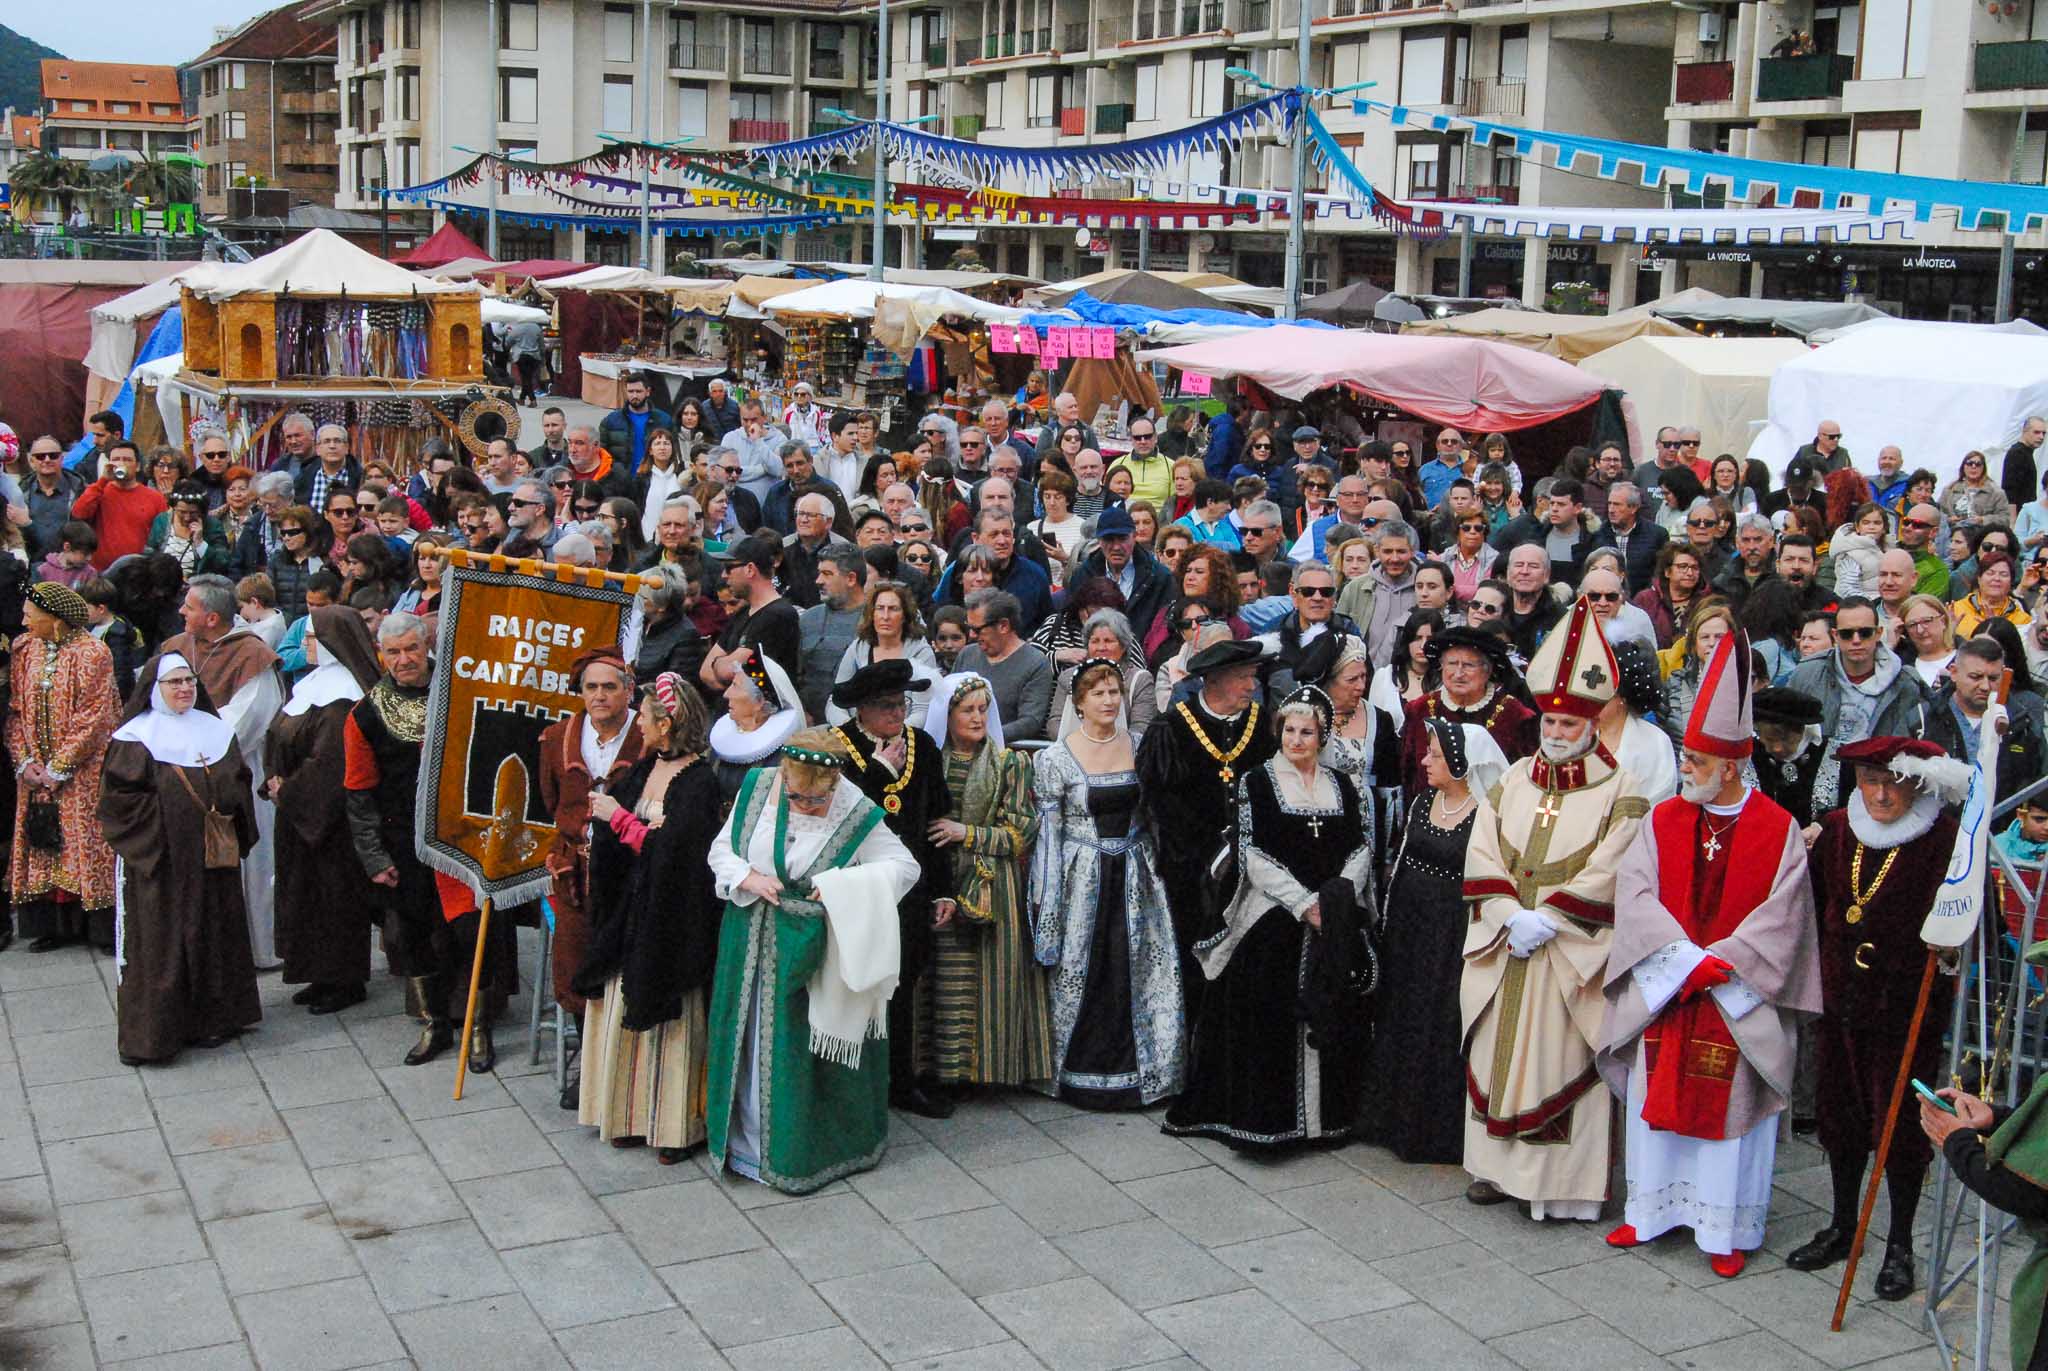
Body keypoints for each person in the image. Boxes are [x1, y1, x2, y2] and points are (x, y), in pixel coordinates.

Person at [1598, 630, 1822, 1277]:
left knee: (1733, 1114)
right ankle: (1648, 1213)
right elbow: (1634, 891)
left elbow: (1785, 916)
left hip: (1734, 997)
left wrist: (1718, 964)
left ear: (1729, 765)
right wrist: (1679, 960)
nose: (1685, 766)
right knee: (1654, 1105)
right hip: (1669, 992)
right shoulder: (1663, 818)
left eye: (1695, 758)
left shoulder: (1776, 829)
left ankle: (1725, 1228)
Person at [1460, 597, 1652, 1219]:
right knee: (1497, 1050)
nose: (1557, 734)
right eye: (1550, 724)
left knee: (1557, 1058)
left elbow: (1617, 861)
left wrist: (1552, 918)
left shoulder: (1623, 789)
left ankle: (1557, 1188)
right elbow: (1483, 843)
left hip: (1569, 950)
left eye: (1570, 725)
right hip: (1509, 939)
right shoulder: (1515, 777)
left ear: (1595, 724)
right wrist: (1508, 915)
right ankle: (1494, 1169)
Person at [1786, 736, 1972, 1302]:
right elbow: (1813, 904)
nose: (1881, 793)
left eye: (1892, 780)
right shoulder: (1840, 830)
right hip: (1842, 1000)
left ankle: (1897, 1244)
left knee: (1902, 1129)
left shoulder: (1944, 839)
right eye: (1870, 779)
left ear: (1918, 781)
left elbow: (1968, 920)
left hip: (1905, 1005)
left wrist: (1951, 954)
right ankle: (1844, 1225)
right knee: (1840, 1118)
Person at [704, 727, 920, 1192]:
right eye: (796, 797)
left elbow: (905, 867)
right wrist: (748, 877)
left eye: (814, 801)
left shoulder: (856, 810)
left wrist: (844, 887)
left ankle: (798, 1151)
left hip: (813, 949)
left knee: (796, 1048)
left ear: (836, 782)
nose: (803, 807)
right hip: (749, 936)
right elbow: (720, 850)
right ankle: (745, 1146)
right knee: (749, 1042)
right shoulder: (758, 790)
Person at [1164, 681, 1376, 1150]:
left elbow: (1361, 847)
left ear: (1322, 737)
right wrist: (1304, 904)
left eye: (1306, 732)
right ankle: (1271, 1121)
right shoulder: (1256, 783)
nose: (1296, 740)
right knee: (1266, 996)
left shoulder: (1344, 785)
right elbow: (1252, 854)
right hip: (1275, 911)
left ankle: (1330, 1121)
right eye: (1289, 731)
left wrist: (1337, 898)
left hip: (1335, 915)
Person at [344, 613, 511, 1073]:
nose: (403, 660)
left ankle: (478, 1026)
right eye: (393, 652)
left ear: (426, 646)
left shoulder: (462, 693)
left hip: (462, 840)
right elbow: (358, 791)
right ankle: (434, 1023)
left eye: (411, 649)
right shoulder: (365, 714)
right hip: (403, 844)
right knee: (414, 937)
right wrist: (374, 857)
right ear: (382, 655)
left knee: (470, 935)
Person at [574, 672, 721, 1163]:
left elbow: (676, 854)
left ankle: (674, 1125)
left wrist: (618, 818)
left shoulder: (699, 781)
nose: (640, 724)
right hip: (633, 912)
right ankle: (628, 1115)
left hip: (671, 920)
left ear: (669, 722)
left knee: (668, 1020)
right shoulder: (646, 767)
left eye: (648, 718)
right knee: (622, 1006)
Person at [1031, 656, 1186, 1107]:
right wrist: (1047, 901)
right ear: (1078, 702)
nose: (1107, 700)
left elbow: (1157, 814)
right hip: (1083, 876)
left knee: (1136, 966)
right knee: (1089, 965)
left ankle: (1146, 1072)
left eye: (1114, 692)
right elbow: (1048, 837)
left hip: (1137, 873)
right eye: (1097, 693)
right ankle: (1078, 1070)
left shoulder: (1140, 744)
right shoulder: (1056, 758)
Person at [99, 653, 260, 1065]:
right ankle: (161, 1032)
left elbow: (240, 780)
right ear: (156, 689)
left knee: (214, 931)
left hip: (211, 858)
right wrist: (172, 817)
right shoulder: (136, 738)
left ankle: (214, 1020)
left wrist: (226, 804)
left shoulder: (216, 730)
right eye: (174, 683)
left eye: (189, 681)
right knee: (163, 941)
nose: (185, 689)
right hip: (162, 863)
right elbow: (120, 803)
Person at [1369, 718, 1509, 1162]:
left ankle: (1435, 1132)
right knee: (1405, 1015)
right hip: (1412, 929)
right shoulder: (1423, 800)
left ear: (1461, 762)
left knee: (1442, 1020)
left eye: (1435, 754)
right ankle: (1391, 1119)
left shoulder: (1486, 813)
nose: (1425, 761)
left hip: (1453, 933)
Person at [826, 658, 955, 1119]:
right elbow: (839, 818)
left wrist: (944, 890)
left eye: (901, 704)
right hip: (855, 890)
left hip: (910, 891)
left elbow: (935, 822)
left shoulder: (922, 745)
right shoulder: (837, 749)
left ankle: (900, 1081)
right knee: (851, 986)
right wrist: (879, 769)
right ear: (861, 709)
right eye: (885, 706)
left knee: (902, 987)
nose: (896, 715)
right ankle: (849, 1085)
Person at [916, 672, 1053, 1095]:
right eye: (967, 709)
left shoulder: (1009, 763)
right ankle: (938, 1072)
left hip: (992, 881)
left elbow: (1021, 832)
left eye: (983, 709)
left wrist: (967, 834)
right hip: (938, 877)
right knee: (939, 978)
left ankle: (987, 1070)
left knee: (988, 980)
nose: (977, 718)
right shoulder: (927, 763)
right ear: (947, 714)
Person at [1136, 637, 1277, 1017]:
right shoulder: (1171, 728)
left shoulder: (1260, 723)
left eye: (1254, 677)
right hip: (1191, 874)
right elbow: (1163, 807)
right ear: (1214, 680)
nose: (1252, 686)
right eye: (1243, 678)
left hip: (1251, 872)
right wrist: (1208, 853)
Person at [536, 648, 646, 1108]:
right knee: (578, 963)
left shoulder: (649, 736)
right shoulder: (557, 739)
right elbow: (550, 799)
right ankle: (589, 1064)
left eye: (609, 687)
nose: (599, 696)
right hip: (577, 874)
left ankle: (632, 1064)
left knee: (629, 962)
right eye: (591, 688)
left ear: (628, 690)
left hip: (632, 870)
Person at [160, 575, 286, 971]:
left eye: (190, 607)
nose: (181, 612)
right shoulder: (177, 647)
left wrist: (196, 746)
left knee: (252, 863)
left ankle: (259, 948)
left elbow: (250, 717)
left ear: (212, 617)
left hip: (237, 771)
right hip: (182, 775)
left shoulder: (251, 654)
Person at [264, 606, 383, 1016]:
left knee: (334, 899)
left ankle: (344, 979)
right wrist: (273, 777)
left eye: (313, 639)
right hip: (299, 814)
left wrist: (288, 790)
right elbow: (278, 734)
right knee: (304, 898)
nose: (306, 647)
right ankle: (316, 973)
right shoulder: (315, 685)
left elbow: (330, 765)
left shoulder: (346, 697)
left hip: (330, 822)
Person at [8, 583, 121, 953]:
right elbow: (15, 711)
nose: (24, 620)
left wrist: (59, 768)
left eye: (31, 614)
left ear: (54, 620)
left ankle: (99, 926)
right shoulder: (26, 649)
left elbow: (94, 717)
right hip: (36, 769)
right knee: (45, 844)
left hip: (83, 770)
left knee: (86, 842)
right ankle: (55, 925)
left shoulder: (92, 653)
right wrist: (25, 761)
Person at [1784, 596, 1930, 813]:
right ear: (1835, 636)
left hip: (1877, 789)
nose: (1855, 640)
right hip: (1811, 788)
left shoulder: (1906, 683)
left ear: (1879, 633)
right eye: (1846, 633)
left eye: (1865, 632)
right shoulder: (1807, 673)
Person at [1396, 624, 1537, 794]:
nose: (1458, 673)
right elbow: (1407, 775)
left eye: (1469, 665)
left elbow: (1525, 781)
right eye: (1452, 663)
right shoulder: (1419, 710)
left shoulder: (1514, 715)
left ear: (1488, 670)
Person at [830, 580, 940, 730]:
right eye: (880, 608)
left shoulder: (921, 652)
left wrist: (890, 734)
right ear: (872, 614)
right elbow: (835, 700)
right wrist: (851, 731)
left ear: (904, 616)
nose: (885, 616)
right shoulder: (858, 647)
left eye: (893, 609)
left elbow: (923, 710)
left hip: (903, 735)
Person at [709, 651, 804, 804]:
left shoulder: (781, 757)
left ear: (759, 702)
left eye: (735, 686)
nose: (726, 694)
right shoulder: (720, 736)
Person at [73, 440, 167, 569]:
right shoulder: (98, 491)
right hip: (103, 574)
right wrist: (103, 480)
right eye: (116, 459)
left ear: (138, 466)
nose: (121, 463)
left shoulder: (155, 498)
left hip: (140, 572)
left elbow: (163, 536)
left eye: (127, 460)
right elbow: (79, 514)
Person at [599, 373, 677, 475]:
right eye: (631, 391)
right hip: (621, 480)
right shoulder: (611, 421)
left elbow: (673, 452)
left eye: (638, 391)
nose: (634, 395)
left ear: (648, 392)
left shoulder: (664, 421)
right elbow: (602, 454)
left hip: (654, 478)